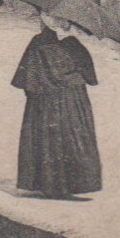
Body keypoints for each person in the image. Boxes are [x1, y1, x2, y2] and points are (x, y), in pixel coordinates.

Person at [11, 11, 102, 198]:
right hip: (70, 101)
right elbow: (89, 76)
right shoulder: (73, 45)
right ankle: (68, 186)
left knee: (47, 140)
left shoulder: (38, 43)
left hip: (45, 104)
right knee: (69, 137)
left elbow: (25, 80)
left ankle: (48, 184)